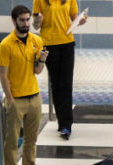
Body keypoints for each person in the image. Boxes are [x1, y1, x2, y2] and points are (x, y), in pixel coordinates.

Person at [0, 4, 50, 165]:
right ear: (14, 21)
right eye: (22, 20)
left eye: (28, 19)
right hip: (16, 99)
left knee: (31, 137)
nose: (26, 23)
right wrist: (10, 99)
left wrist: (42, 59)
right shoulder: (5, 45)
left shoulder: (36, 41)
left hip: (34, 96)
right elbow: (3, 75)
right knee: (12, 139)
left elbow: (37, 71)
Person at [33, 0, 86, 139]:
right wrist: (38, 20)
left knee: (66, 84)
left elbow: (75, 19)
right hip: (48, 44)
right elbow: (35, 26)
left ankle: (66, 124)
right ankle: (62, 122)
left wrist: (81, 21)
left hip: (67, 43)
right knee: (56, 84)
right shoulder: (39, 0)